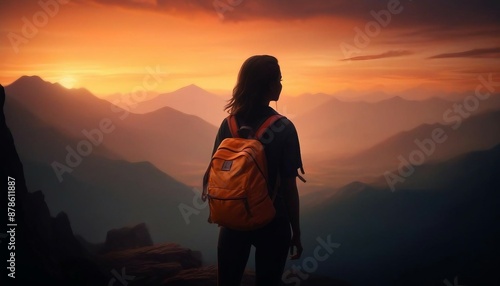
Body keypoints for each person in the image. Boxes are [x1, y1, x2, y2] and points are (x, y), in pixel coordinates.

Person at [210, 55, 304, 285]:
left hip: (233, 220)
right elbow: (289, 186)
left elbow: (216, 173)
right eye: (279, 79)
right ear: (269, 85)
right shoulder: (283, 127)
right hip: (273, 220)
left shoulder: (228, 124)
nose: (281, 84)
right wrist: (296, 232)